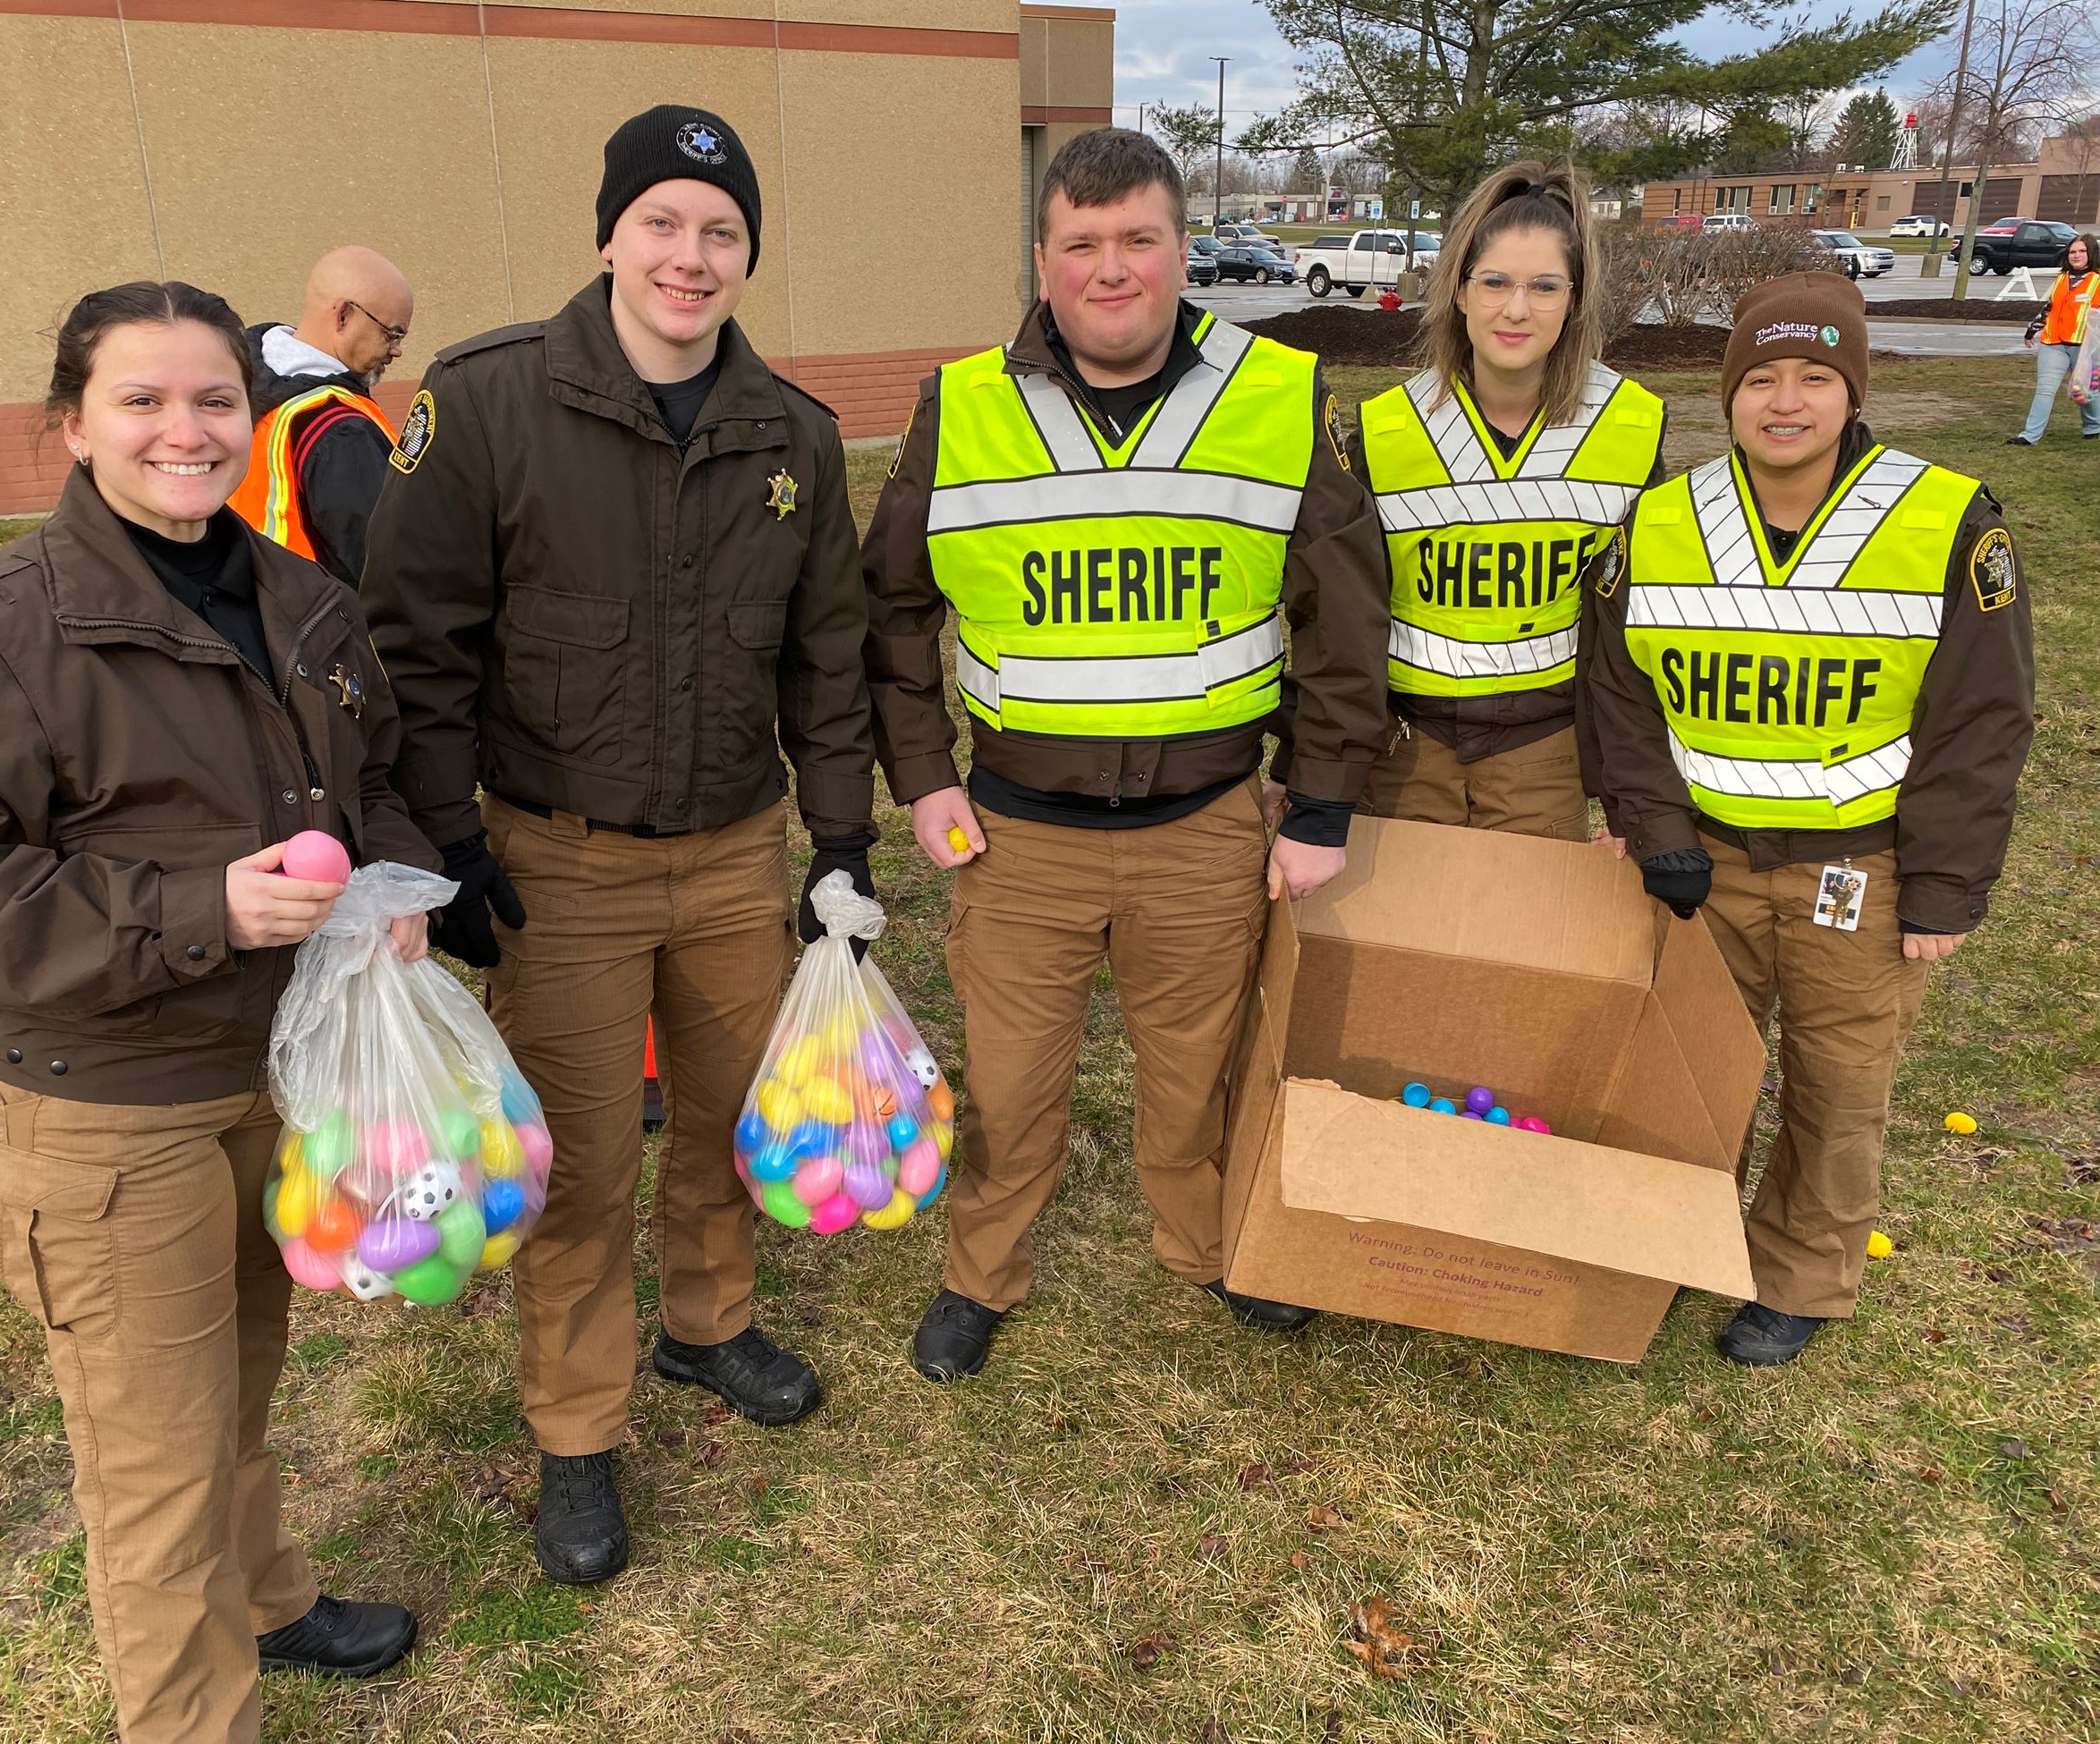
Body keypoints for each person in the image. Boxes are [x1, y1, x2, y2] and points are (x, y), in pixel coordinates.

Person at [0, 283, 436, 1743]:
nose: (186, 430)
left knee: (237, 1383)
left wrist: (389, 881)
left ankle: (273, 1599)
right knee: (155, 1470)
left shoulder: (300, 601)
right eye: (143, 401)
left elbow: (368, 775)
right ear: (69, 424)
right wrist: (202, 911)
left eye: (214, 400)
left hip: (264, 1077)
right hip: (102, 1116)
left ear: (257, 414)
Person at [360, 106, 875, 1586]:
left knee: (721, 1125)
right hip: (558, 862)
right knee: (584, 1166)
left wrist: (841, 835)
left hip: (731, 855)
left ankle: (709, 1328)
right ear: (608, 234)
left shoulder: (796, 435)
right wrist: (446, 839)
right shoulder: (488, 405)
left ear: (747, 256)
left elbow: (826, 660)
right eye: (662, 222)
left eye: (721, 232)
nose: (690, 256)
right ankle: (578, 1431)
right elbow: (420, 645)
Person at [860, 127, 1391, 1382]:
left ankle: (1202, 1243)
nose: (1113, 269)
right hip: (1020, 831)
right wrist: (924, 774)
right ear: (1044, 261)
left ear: (1181, 249)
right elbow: (885, 609)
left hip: (1204, 823)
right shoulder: (963, 402)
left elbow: (1344, 618)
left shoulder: (1275, 395)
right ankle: (983, 1269)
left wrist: (1319, 807)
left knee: (1195, 1072)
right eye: (1083, 245)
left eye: (1139, 240)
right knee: (1009, 1083)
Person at [1588, 275, 2035, 1366]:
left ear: (1850, 391)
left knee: (1836, 1089)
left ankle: (1798, 1274)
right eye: (1761, 378)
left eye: (1814, 378)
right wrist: (1655, 833)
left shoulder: (1942, 519)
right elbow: (1617, 697)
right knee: (1690, 1075)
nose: (1783, 402)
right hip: (1705, 864)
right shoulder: (1660, 521)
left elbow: (1980, 720)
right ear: (1728, 392)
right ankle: (1668, 1248)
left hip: (1859, 867)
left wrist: (1941, 888)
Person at [1348, 162, 1665, 842]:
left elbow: (1646, 626)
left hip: (1543, 747)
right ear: (1459, 292)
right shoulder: (1384, 431)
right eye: (1494, 283)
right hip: (1407, 746)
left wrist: (1629, 797)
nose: (1516, 310)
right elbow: (1340, 616)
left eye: (1544, 287)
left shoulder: (1632, 428)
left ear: (1575, 299)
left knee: (1529, 944)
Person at [228, 245, 411, 583]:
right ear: (343, 315)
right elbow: (387, 571)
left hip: (267, 608)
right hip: (329, 622)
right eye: (392, 334)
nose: (397, 350)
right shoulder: (337, 426)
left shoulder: (244, 384)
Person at [2006, 232, 2100, 446]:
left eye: (2082, 251)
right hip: (2053, 344)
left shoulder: (2098, 281)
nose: (2076, 256)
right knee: (2045, 390)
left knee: (2085, 391)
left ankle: (2094, 426)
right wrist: (2032, 330)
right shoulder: (2061, 279)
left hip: (2085, 347)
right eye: (2072, 252)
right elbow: (2049, 308)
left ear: (2091, 253)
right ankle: (2029, 436)